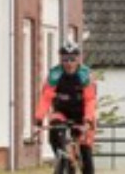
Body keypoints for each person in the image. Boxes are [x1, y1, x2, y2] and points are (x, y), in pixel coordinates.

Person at [34, 40, 97, 174]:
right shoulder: (54, 74)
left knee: (86, 150)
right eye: (65, 59)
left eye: (72, 59)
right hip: (61, 111)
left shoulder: (85, 74)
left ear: (78, 59)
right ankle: (64, 160)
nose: (69, 63)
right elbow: (46, 97)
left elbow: (90, 100)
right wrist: (39, 118)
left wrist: (87, 120)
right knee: (55, 134)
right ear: (61, 60)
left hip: (82, 113)